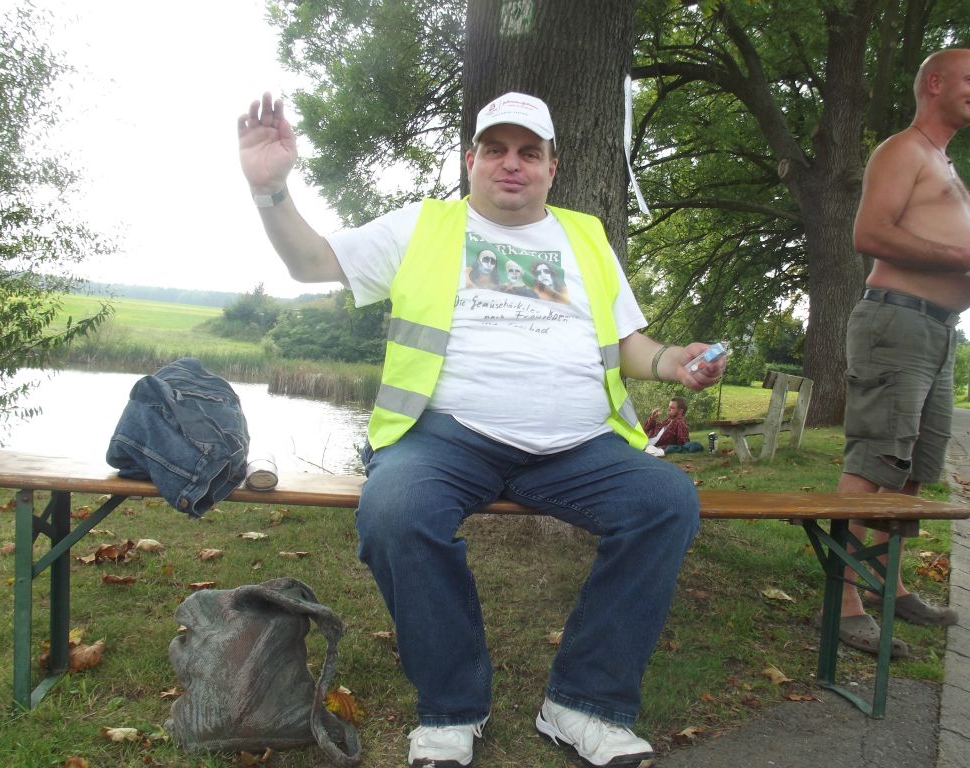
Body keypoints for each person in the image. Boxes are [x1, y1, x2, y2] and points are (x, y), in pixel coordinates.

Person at [238, 88, 726, 768]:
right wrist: (269, 190)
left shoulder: (586, 236)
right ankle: (452, 709)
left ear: (553, 166)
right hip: (444, 439)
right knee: (396, 512)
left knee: (666, 501)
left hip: (578, 447)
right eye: (495, 149)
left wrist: (674, 361)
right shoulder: (424, 226)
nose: (511, 163)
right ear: (471, 161)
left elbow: (629, 343)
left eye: (529, 151)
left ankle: (584, 705)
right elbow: (310, 262)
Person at [834, 48, 970, 657]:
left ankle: (886, 580)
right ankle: (841, 603)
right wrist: (962, 258)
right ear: (934, 83)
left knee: (914, 467)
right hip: (897, 323)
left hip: (939, 331)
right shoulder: (903, 150)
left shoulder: (944, 162)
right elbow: (870, 234)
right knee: (874, 459)